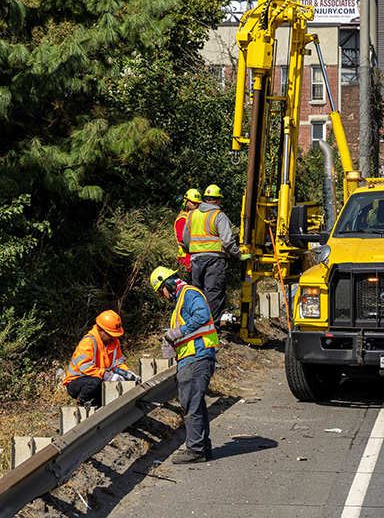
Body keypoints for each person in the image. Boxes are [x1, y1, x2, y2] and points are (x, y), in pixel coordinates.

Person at [151, 266, 218, 464]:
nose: (162, 297)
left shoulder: (189, 294)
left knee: (191, 404)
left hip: (197, 357)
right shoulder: (182, 299)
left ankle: (195, 450)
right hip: (193, 357)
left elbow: (202, 316)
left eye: (160, 292)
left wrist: (177, 332)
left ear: (167, 285)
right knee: (196, 404)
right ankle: (202, 447)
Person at [183, 185, 249, 327]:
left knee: (197, 293)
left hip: (196, 260)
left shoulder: (192, 215)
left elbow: (185, 238)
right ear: (218, 201)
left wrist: (195, 250)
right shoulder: (219, 216)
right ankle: (211, 328)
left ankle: (197, 326)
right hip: (214, 260)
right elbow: (227, 241)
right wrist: (238, 255)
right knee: (214, 294)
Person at [62, 311, 140, 407]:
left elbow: (118, 363)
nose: (113, 338)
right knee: (96, 382)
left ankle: (98, 405)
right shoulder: (88, 342)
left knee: (106, 383)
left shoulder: (114, 342)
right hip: (77, 383)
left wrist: (128, 373)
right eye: (111, 334)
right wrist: (106, 375)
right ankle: (81, 403)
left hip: (97, 378)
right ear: (100, 330)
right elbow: (85, 367)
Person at [175, 189, 202, 273]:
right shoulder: (183, 219)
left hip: (192, 260)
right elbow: (182, 241)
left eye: (198, 204)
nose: (196, 206)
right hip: (185, 261)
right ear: (186, 203)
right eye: (193, 203)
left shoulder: (192, 218)